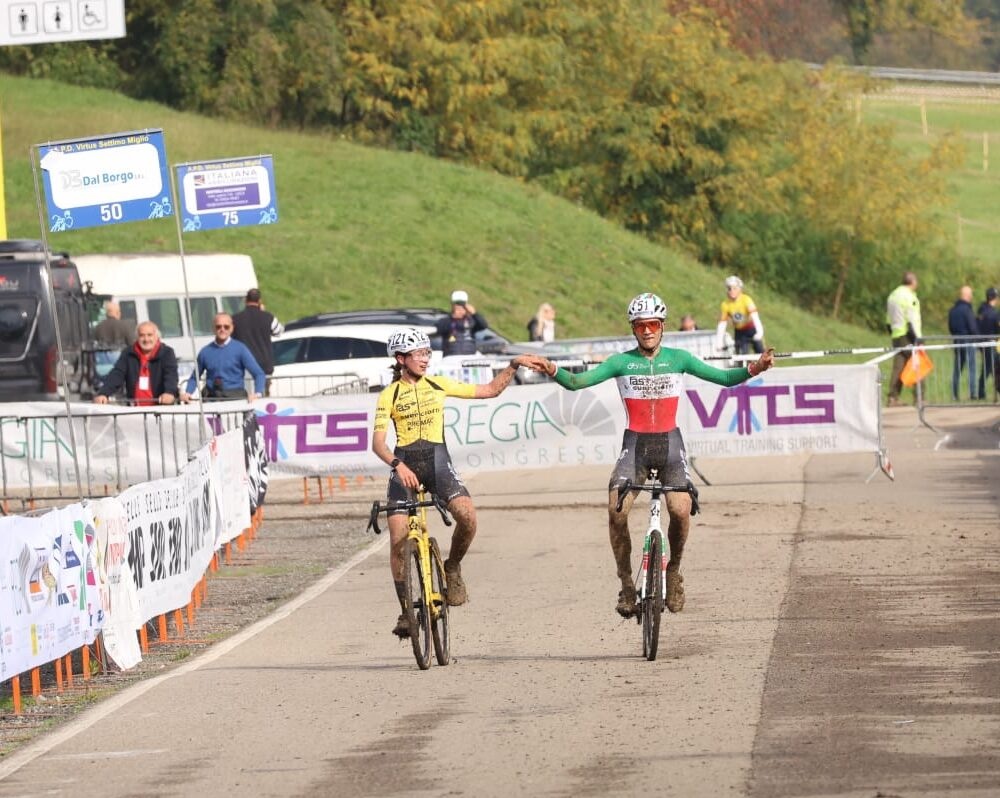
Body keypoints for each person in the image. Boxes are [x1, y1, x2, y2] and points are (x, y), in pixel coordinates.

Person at [536, 293, 774, 619]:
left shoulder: (679, 358)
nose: (647, 331)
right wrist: (551, 368)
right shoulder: (621, 362)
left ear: (662, 326)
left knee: (680, 509)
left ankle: (673, 570)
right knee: (616, 510)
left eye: (652, 324)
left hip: (670, 444)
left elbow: (723, 378)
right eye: (640, 326)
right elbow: (578, 382)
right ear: (633, 329)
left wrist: (755, 368)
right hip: (635, 446)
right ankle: (626, 585)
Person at [371, 328, 548, 638]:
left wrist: (513, 365)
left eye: (427, 353)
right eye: (419, 354)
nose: (425, 359)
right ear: (401, 359)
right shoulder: (389, 395)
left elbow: (490, 390)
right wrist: (398, 465)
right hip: (404, 469)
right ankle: (405, 612)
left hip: (438, 464)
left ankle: (452, 566)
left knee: (468, 517)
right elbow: (378, 444)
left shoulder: (438, 384)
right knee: (398, 541)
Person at [180, 313, 266, 402]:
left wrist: (257, 393)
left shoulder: (241, 349)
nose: (222, 329)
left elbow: (259, 374)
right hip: (211, 399)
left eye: (226, 327)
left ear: (232, 328)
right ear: (213, 328)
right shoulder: (205, 352)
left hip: (235, 398)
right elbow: (194, 377)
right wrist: (188, 393)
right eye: (218, 327)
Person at [93, 321, 178, 406]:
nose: (146, 339)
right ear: (137, 337)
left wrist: (169, 392)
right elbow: (117, 374)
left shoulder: (167, 353)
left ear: (156, 337)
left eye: (149, 335)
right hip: (135, 408)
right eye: (142, 335)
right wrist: (103, 393)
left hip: (159, 407)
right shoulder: (128, 353)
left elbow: (171, 375)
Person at [231, 288, 283, 385]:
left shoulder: (235, 319)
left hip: (243, 367)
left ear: (245, 300)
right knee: (262, 392)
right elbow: (279, 332)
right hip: (264, 366)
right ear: (260, 301)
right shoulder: (268, 317)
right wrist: (263, 312)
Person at [886, 271, 922, 407]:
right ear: (912, 282)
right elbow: (912, 319)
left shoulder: (893, 295)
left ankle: (892, 397)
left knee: (898, 367)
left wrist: (893, 331)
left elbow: (888, 319)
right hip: (908, 335)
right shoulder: (910, 297)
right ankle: (920, 397)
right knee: (918, 364)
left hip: (896, 334)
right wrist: (918, 339)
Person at [716, 275, 764, 355]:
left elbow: (755, 317)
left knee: (760, 352)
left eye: (734, 288)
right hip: (740, 332)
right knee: (741, 355)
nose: (731, 291)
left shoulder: (746, 299)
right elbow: (722, 324)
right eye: (729, 289)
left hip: (751, 329)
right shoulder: (725, 304)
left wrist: (759, 332)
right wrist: (719, 342)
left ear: (740, 289)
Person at [947, 285, 978, 401]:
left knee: (957, 369)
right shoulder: (967, 310)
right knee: (971, 368)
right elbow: (972, 327)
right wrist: (977, 338)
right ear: (967, 295)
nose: (972, 296)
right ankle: (973, 393)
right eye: (971, 294)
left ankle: (954, 394)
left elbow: (950, 327)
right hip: (968, 341)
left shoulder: (952, 310)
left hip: (957, 341)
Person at [435, 290, 488, 356]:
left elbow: (484, 325)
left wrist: (474, 313)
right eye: (457, 305)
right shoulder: (446, 320)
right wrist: (453, 318)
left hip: (469, 356)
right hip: (451, 357)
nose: (460, 308)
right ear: (453, 306)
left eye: (462, 306)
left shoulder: (471, 321)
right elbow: (440, 329)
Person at [977, 286, 999, 399]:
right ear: (994, 298)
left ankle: (981, 392)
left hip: (982, 343)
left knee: (987, 368)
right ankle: (992, 391)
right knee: (993, 369)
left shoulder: (981, 310)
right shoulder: (994, 313)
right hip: (992, 344)